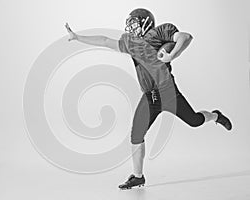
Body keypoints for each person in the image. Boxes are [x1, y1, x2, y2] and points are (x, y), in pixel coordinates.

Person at [65, 8, 232, 190]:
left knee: (195, 121)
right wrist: (78, 37)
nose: (132, 28)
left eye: (135, 24)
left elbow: (186, 37)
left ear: (146, 22)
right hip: (150, 97)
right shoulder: (131, 42)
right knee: (136, 135)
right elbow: (105, 41)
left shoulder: (161, 31)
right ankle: (138, 177)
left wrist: (172, 54)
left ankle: (215, 116)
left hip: (169, 93)